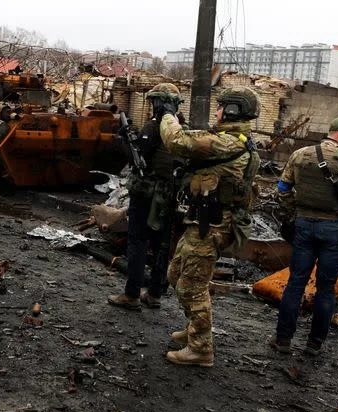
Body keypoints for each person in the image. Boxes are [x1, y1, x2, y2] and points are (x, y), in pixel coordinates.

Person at [154, 87, 262, 367]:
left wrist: (168, 114)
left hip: (213, 226)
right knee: (176, 273)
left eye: (220, 106)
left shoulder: (230, 143)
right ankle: (194, 330)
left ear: (233, 110)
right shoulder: (230, 140)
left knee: (192, 285)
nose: (216, 111)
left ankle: (201, 348)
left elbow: (177, 142)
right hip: (203, 222)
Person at [270, 117, 338, 356]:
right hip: (334, 230)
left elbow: (283, 189)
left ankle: (283, 339)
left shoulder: (300, 154)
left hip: (304, 226)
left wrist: (293, 215)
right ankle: (314, 344)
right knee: (326, 288)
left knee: (295, 283)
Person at [108, 83, 184, 311]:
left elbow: (136, 158)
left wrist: (121, 140)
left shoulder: (154, 127)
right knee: (162, 243)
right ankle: (154, 293)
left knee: (138, 240)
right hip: (169, 194)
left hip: (146, 193)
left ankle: (131, 294)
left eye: (154, 103)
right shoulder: (181, 129)